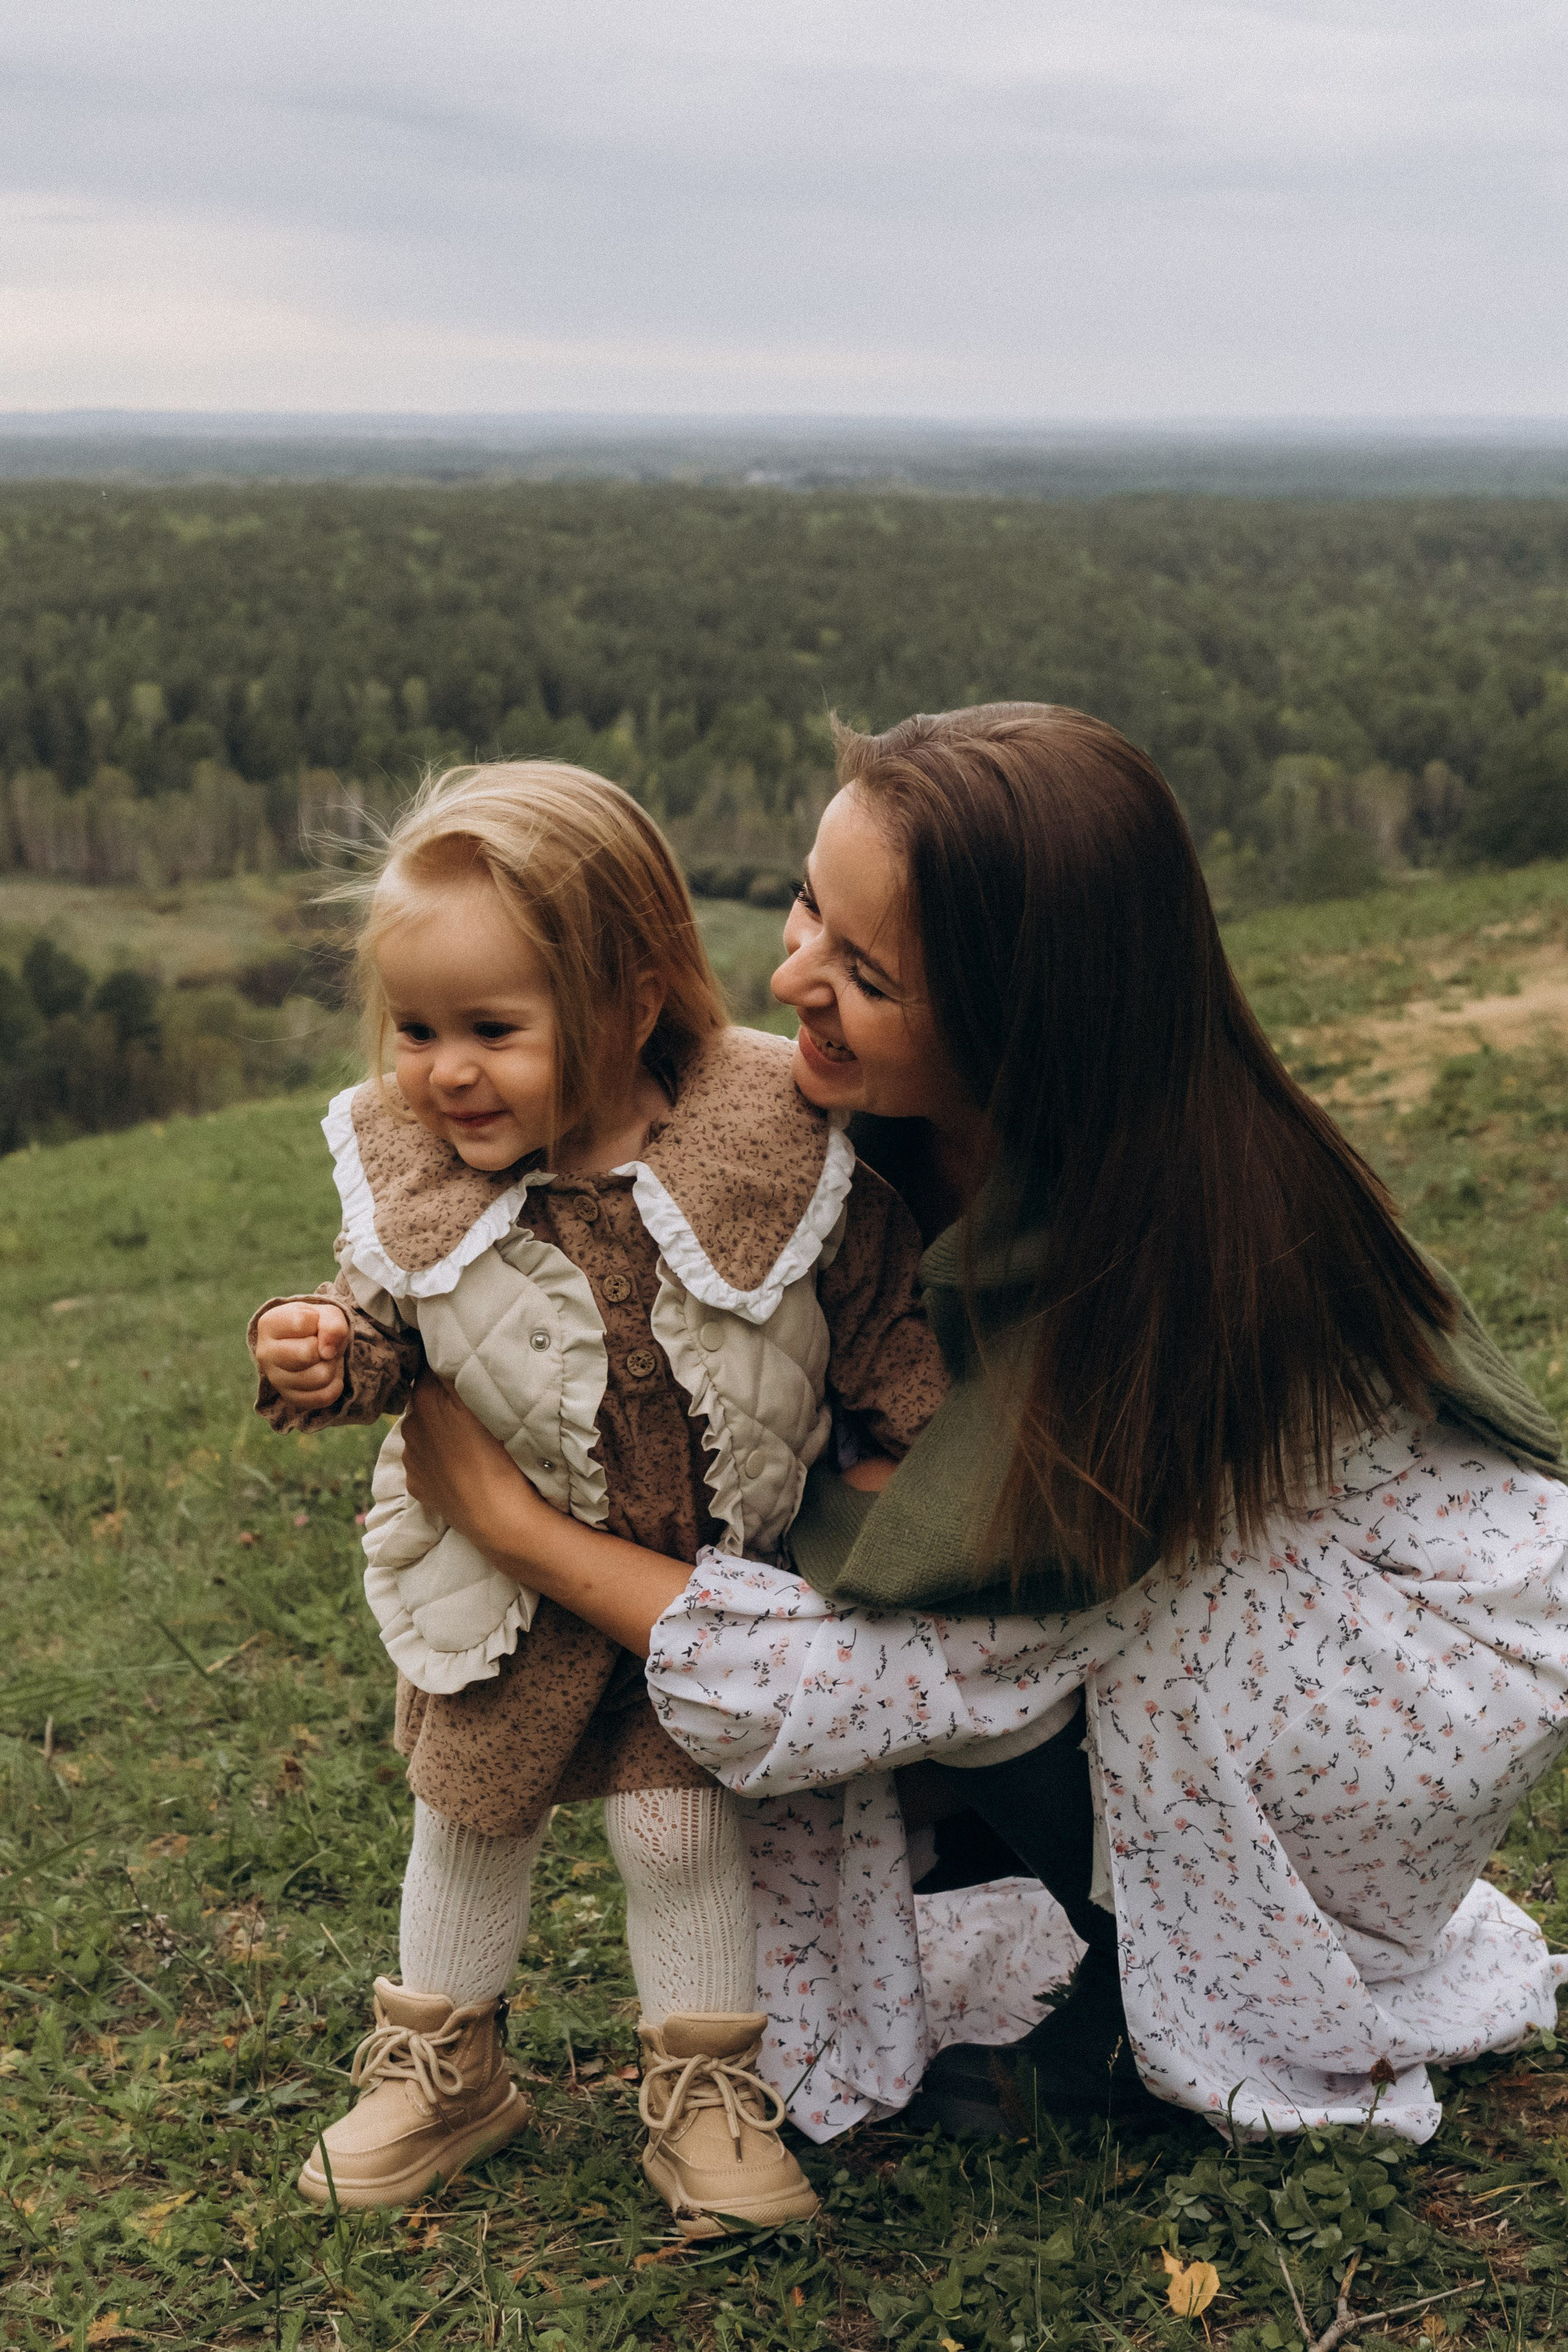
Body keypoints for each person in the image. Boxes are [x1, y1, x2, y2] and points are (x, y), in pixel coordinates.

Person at [395, 704, 1568, 2148]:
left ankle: (1146, 2016)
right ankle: (1031, 1869)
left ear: (1024, 1021)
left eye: (864, 974)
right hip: (1141, 1610)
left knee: (1041, 1660)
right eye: (807, 910)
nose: (790, 976)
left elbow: (901, 1667)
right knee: (911, 1589)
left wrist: (515, 1528)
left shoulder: (1173, 1266)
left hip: (1379, 1684)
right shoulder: (863, 1122)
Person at [247, 760, 946, 2225]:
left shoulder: (767, 1143)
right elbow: (389, 1326)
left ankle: (704, 2095)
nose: (446, 1072)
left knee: (677, 1833)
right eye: (417, 1031)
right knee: (468, 1812)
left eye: (494, 1031)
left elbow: (869, 1296)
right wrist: (324, 1352)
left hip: (699, 1591)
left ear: (629, 1003)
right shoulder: (421, 1180)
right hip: (497, 1587)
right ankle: (441, 2070)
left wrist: (915, 1423)